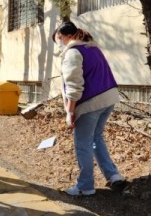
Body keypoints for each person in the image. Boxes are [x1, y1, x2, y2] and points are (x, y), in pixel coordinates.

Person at [53, 21, 126, 196]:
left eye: (58, 39)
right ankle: (113, 175)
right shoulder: (93, 48)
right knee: (96, 138)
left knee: (83, 144)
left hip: (90, 104)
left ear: (62, 36)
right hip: (108, 98)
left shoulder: (73, 53)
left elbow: (74, 87)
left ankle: (85, 186)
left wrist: (70, 112)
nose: (58, 44)